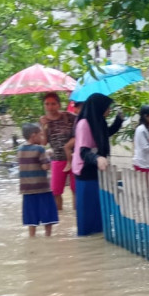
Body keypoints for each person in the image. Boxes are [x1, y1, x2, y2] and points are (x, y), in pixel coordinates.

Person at [72, 93, 115, 236]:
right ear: (99, 107)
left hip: (96, 169)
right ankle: (85, 238)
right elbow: (83, 151)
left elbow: (105, 134)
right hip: (85, 170)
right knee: (87, 212)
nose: (109, 110)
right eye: (107, 108)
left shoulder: (98, 120)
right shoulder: (84, 124)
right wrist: (97, 158)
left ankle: (97, 239)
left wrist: (119, 121)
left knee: (98, 209)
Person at [18, 123, 59, 237]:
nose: (42, 137)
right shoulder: (40, 149)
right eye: (40, 135)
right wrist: (49, 155)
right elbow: (46, 166)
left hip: (27, 189)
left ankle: (32, 237)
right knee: (47, 216)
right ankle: (48, 236)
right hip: (42, 188)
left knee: (31, 217)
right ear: (33, 135)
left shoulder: (20, 149)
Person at [38, 92, 76, 211]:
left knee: (76, 190)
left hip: (74, 158)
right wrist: (43, 127)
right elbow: (44, 143)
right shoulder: (44, 121)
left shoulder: (70, 117)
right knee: (56, 191)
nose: (50, 107)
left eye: (53, 104)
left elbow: (79, 134)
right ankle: (59, 217)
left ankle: (77, 215)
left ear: (59, 105)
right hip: (57, 159)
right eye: (47, 104)